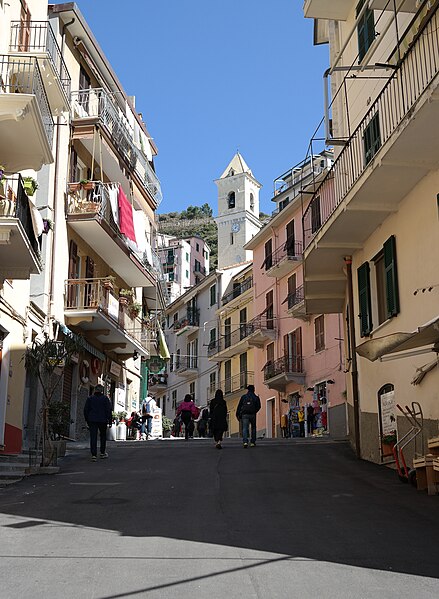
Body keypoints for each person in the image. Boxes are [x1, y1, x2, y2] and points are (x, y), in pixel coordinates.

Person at [83, 384, 112, 461]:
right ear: (102, 391)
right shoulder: (105, 399)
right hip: (103, 420)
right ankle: (102, 452)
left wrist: (87, 420)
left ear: (95, 390)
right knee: (103, 436)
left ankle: (94, 455)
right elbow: (108, 410)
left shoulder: (90, 398)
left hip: (92, 419)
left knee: (93, 436)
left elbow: (86, 410)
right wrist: (110, 420)